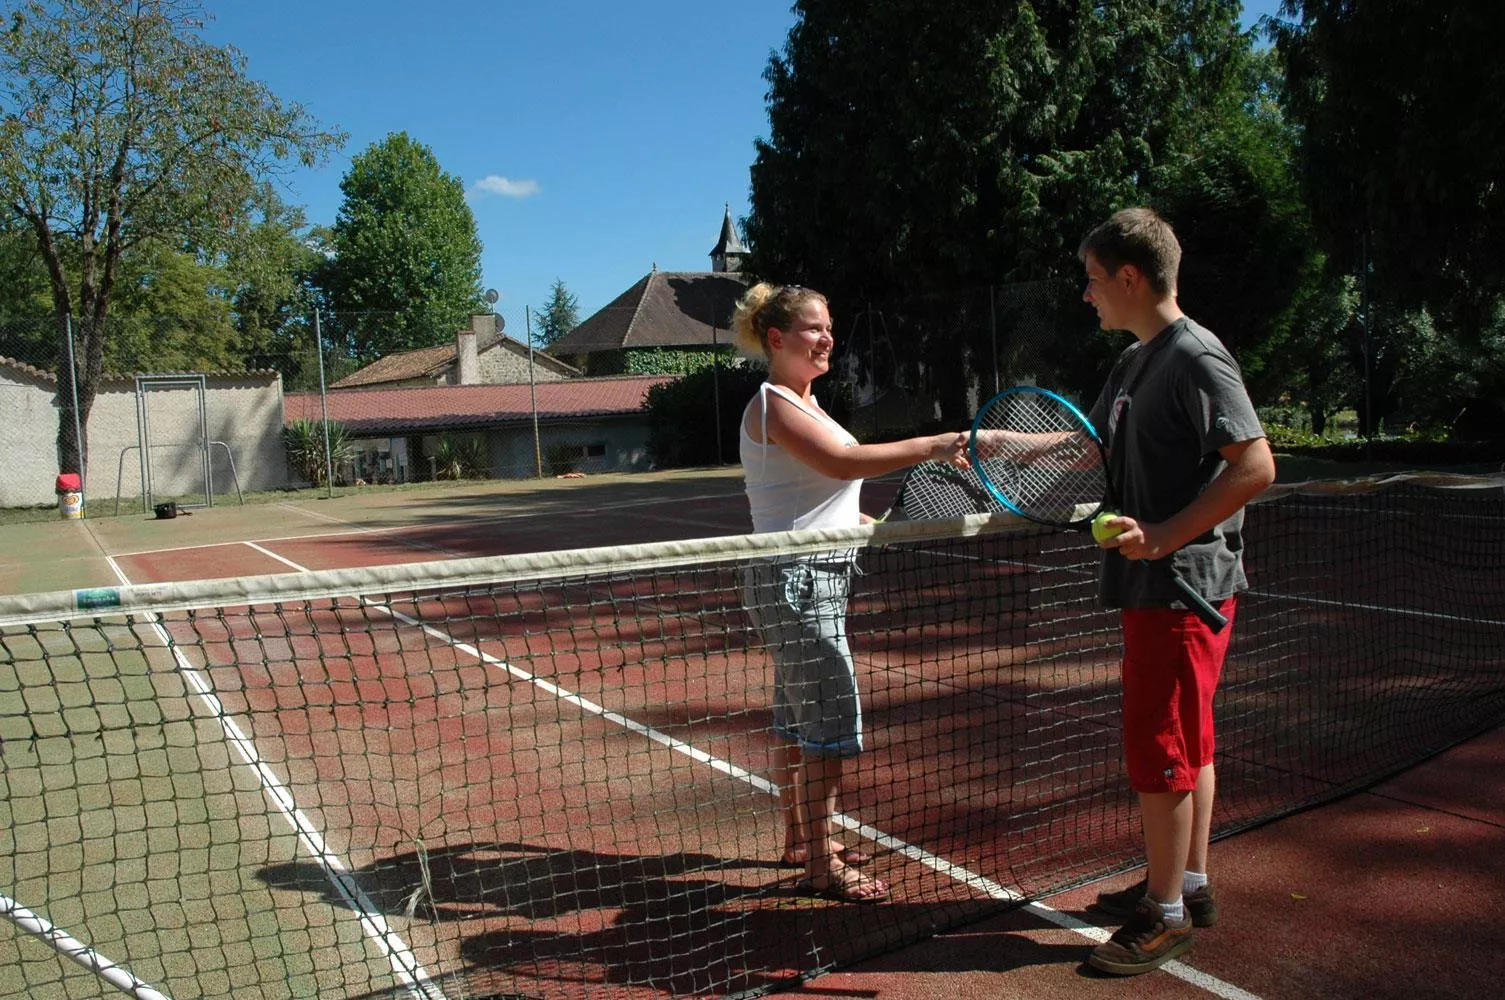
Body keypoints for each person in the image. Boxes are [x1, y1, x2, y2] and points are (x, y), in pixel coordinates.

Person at [1076, 208, 1276, 974]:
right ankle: (1186, 884)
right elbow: (1081, 441)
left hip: (1180, 590)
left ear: (1129, 277)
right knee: (1187, 743)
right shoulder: (1133, 362)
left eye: (1093, 280)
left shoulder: (1194, 356)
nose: (1086, 296)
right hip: (1152, 584)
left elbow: (1254, 465)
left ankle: (1162, 917)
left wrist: (1165, 535)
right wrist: (986, 446)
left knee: (1159, 749)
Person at [733, 282, 969, 904]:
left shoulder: (810, 405)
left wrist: (875, 527)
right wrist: (936, 445)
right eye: (814, 329)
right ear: (777, 339)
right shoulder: (774, 403)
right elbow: (844, 464)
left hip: (809, 576)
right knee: (830, 722)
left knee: (797, 720)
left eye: (829, 327)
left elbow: (820, 498)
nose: (827, 338)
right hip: (797, 581)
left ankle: (800, 840)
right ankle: (820, 865)